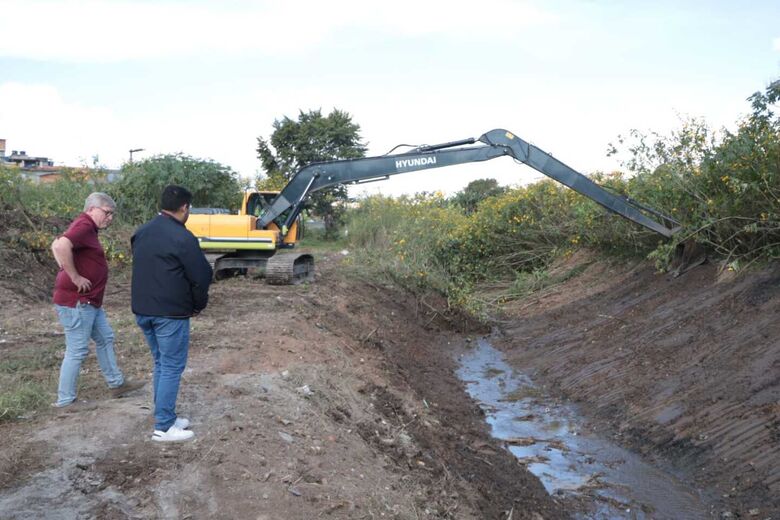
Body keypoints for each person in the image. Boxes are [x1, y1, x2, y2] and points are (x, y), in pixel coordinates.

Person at [131, 185, 212, 442]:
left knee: (161, 363)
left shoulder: (141, 232)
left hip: (143, 310)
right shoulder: (183, 237)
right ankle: (164, 427)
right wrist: (198, 304)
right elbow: (201, 276)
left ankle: (165, 414)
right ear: (185, 208)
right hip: (169, 314)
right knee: (171, 366)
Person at [51, 192, 145, 409]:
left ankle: (117, 384)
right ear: (92, 209)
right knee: (77, 350)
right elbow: (59, 246)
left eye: (112, 214)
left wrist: (67, 268)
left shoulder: (87, 228)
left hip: (90, 301)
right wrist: (73, 275)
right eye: (107, 212)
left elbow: (56, 244)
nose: (110, 218)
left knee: (105, 338)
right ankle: (66, 401)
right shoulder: (84, 224)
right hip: (78, 301)